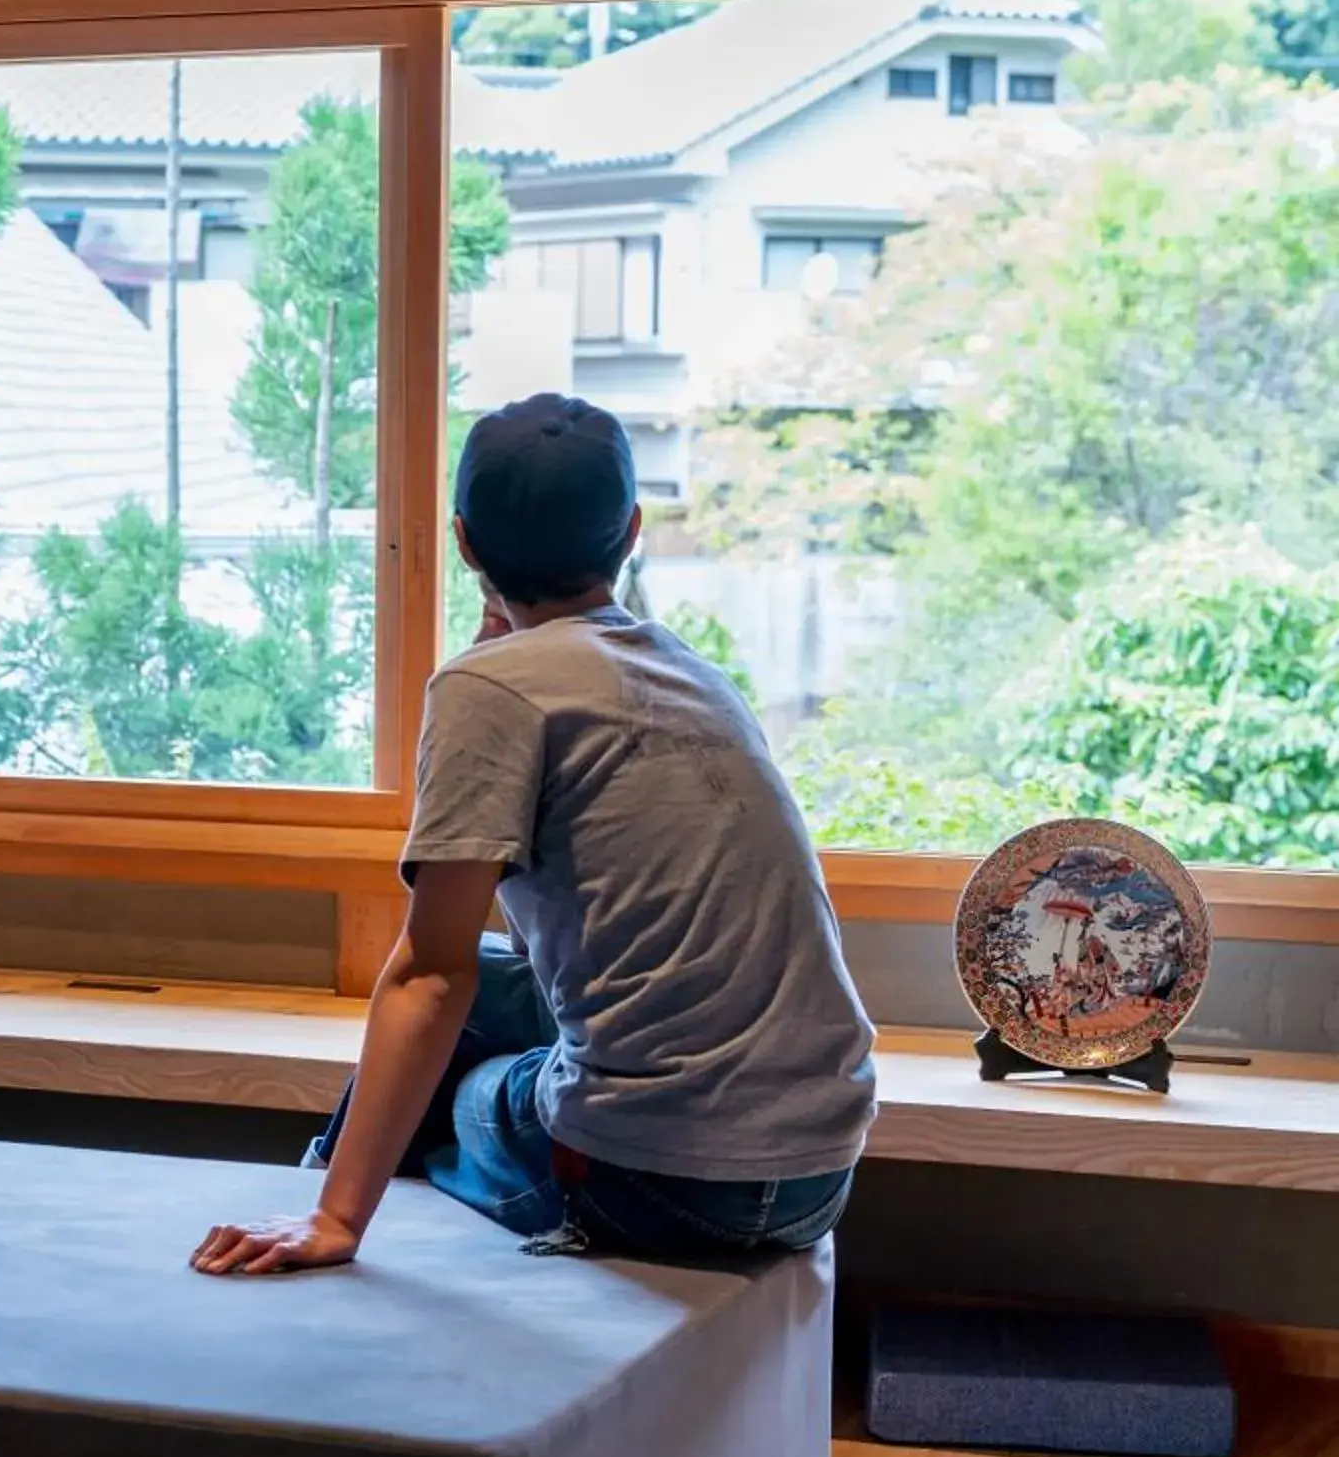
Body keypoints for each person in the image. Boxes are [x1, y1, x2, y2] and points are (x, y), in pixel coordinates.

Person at [194, 393, 876, 1276]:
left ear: (463, 541)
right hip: (821, 1173)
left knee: (467, 1093)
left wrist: (337, 1217)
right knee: (497, 995)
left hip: (664, 1186)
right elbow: (565, 926)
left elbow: (430, 972)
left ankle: (320, 1205)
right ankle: (337, 1186)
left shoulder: (490, 692)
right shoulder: (695, 676)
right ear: (631, 531)